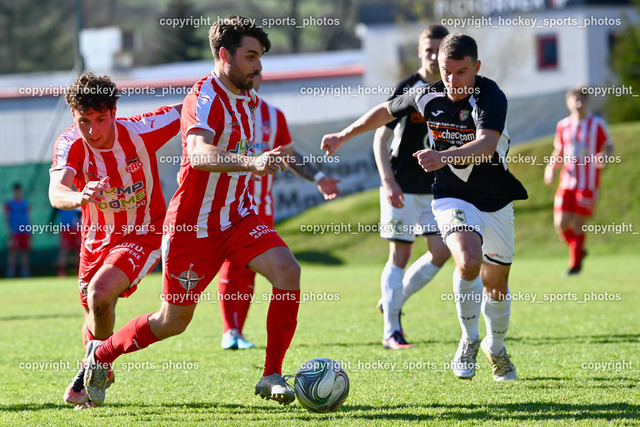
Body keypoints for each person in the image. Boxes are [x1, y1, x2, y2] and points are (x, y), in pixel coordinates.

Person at [80, 16, 301, 407]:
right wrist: (252, 163)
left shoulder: (247, 96)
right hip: (192, 228)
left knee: (288, 270)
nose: (258, 66)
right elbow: (198, 156)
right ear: (223, 55)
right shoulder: (204, 97)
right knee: (172, 322)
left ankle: (271, 374)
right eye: (250, 56)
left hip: (237, 216)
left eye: (260, 57)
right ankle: (100, 354)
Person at [321, 33, 528, 381]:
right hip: (451, 195)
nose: (452, 80)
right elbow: (385, 112)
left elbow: (487, 145)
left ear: (476, 67)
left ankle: (496, 347)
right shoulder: (425, 93)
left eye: (461, 72)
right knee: (468, 260)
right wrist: (344, 134)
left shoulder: (490, 96)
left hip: (496, 200)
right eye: (447, 72)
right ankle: (469, 338)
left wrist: (441, 155)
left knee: (497, 283)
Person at [50, 72, 182, 408]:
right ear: (73, 116)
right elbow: (56, 191)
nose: (93, 130)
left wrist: (231, 82)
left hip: (144, 231)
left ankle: (90, 375)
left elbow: (192, 105)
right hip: (95, 240)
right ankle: (99, 365)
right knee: (93, 313)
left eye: (100, 119)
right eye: (84, 121)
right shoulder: (70, 144)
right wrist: (79, 196)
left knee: (100, 292)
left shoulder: (141, 131)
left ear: (114, 112)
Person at [217, 72, 340, 350]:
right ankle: (229, 330)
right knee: (230, 264)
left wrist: (319, 177)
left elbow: (289, 154)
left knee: (252, 269)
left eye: (258, 72)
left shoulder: (274, 116)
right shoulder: (221, 111)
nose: (254, 76)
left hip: (262, 209)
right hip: (227, 206)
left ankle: (238, 332)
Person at [372, 25, 451, 350]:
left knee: (442, 251)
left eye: (439, 49)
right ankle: (392, 330)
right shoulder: (408, 89)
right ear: (420, 51)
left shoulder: (455, 89)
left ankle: (393, 300)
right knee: (401, 253)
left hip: (435, 190)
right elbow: (381, 136)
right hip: (402, 186)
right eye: (428, 49)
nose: (433, 55)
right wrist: (387, 180)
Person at [544, 87, 613, 275]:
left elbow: (609, 145)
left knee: (578, 223)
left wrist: (604, 156)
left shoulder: (597, 124)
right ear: (568, 102)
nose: (578, 102)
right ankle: (579, 250)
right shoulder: (563, 125)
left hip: (587, 183)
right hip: (567, 181)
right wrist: (551, 168)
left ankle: (575, 264)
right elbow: (559, 151)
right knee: (560, 223)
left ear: (586, 101)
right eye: (575, 99)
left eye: (582, 99)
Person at [5, 183, 31, 278]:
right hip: (15, 232)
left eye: (19, 191)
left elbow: (28, 217)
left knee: (25, 253)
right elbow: (7, 218)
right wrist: (10, 231)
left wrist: (30, 229)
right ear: (13, 192)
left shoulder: (25, 203)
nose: (18, 193)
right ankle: (10, 273)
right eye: (16, 191)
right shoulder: (9, 203)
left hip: (25, 232)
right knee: (13, 253)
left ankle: (25, 272)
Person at [52, 207, 82, 277]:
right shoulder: (61, 200)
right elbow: (54, 213)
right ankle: (61, 272)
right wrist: (51, 224)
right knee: (63, 251)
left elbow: (81, 215)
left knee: (78, 251)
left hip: (76, 229)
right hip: (65, 229)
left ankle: (79, 272)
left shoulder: (78, 199)